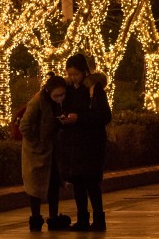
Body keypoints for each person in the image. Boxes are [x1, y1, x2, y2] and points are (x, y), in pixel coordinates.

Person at [59, 54, 112, 232]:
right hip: (73, 144)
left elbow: (104, 115)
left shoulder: (93, 89)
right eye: (70, 74)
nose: (73, 78)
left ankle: (99, 219)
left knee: (92, 183)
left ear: (84, 72)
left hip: (91, 144)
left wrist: (79, 118)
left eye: (76, 74)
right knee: (78, 183)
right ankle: (82, 218)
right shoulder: (67, 90)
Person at [19, 74, 71, 231]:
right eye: (56, 95)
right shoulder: (37, 102)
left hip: (52, 150)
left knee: (53, 184)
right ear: (48, 92)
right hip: (37, 152)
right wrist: (37, 142)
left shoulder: (57, 104)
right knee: (35, 188)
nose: (60, 98)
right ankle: (35, 219)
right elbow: (24, 126)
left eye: (62, 94)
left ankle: (53, 217)